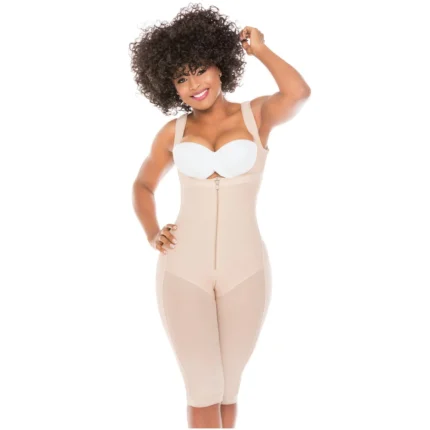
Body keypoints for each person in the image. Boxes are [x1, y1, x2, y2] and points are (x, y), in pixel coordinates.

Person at [130, 4, 311, 428]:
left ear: (220, 65)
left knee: (228, 388)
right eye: (181, 78)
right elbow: (142, 186)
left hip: (246, 270)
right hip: (183, 270)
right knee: (203, 388)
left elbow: (298, 93)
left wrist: (261, 50)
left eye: (200, 70)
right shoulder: (172, 133)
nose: (194, 85)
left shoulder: (256, 115)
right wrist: (152, 232)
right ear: (169, 86)